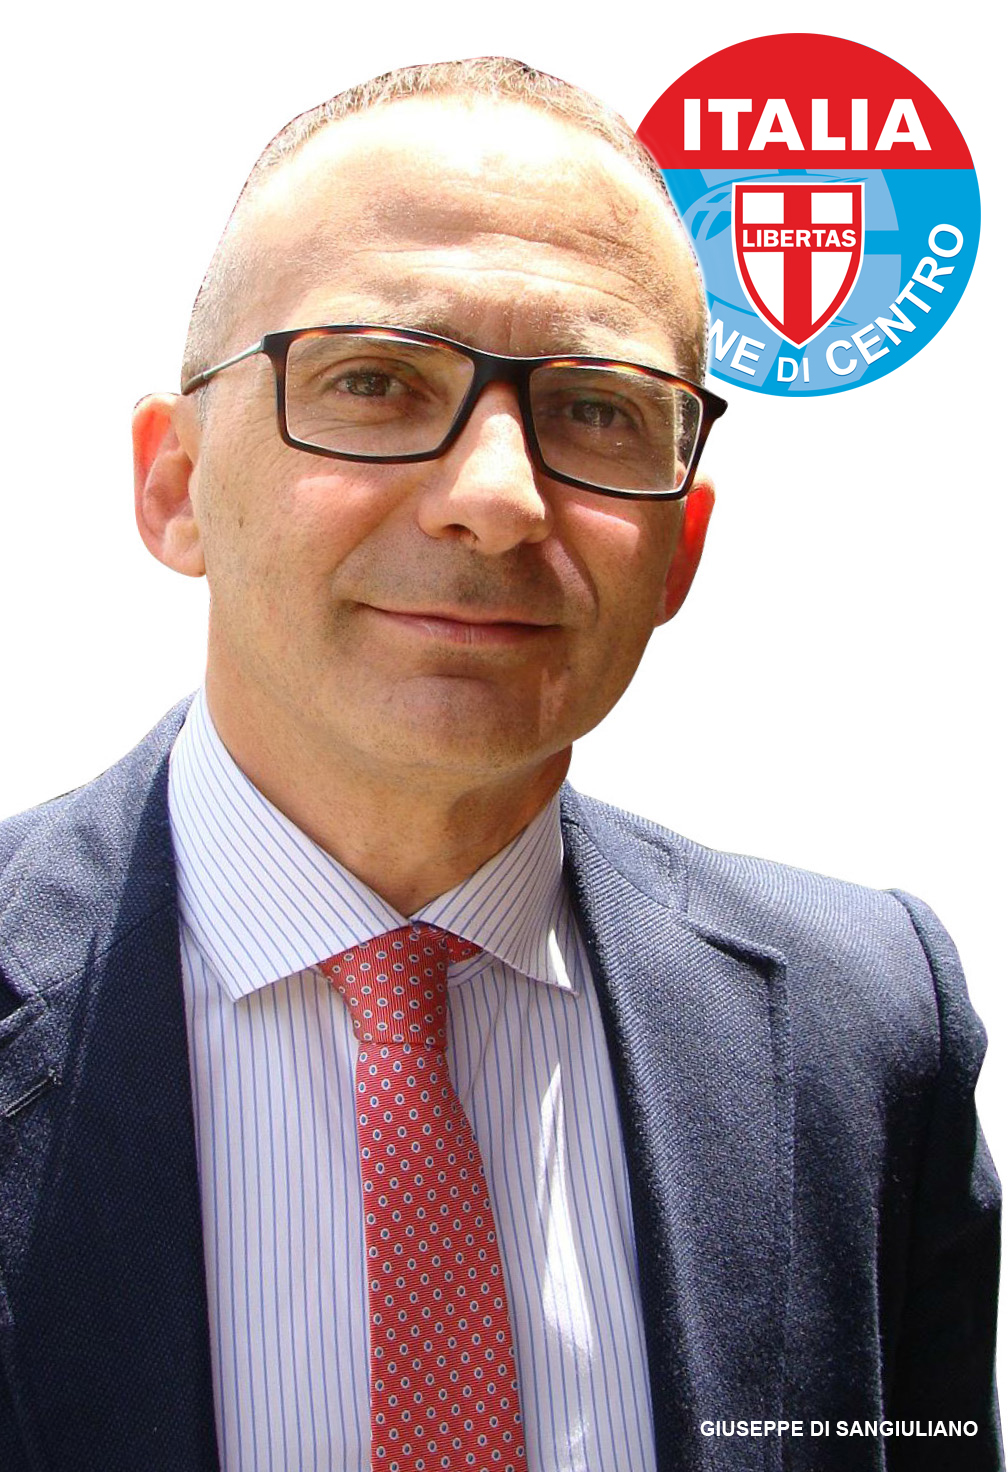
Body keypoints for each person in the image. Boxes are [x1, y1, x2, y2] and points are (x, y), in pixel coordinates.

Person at [0, 56, 999, 1472]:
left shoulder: (865, 1030)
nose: (496, 497)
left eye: (595, 410)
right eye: (375, 381)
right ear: (175, 488)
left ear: (681, 550)